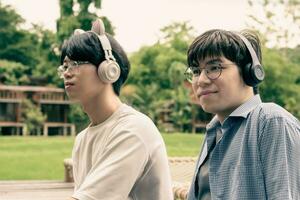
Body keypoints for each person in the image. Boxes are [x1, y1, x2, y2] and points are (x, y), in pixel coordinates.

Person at [58, 18, 173, 200]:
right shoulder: (83, 139)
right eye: (64, 65)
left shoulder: (134, 129)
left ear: (108, 69)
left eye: (76, 64)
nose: (66, 72)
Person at [185, 29, 300, 200]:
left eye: (214, 67)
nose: (201, 80)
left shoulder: (270, 121)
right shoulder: (215, 129)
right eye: (196, 71)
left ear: (250, 72)